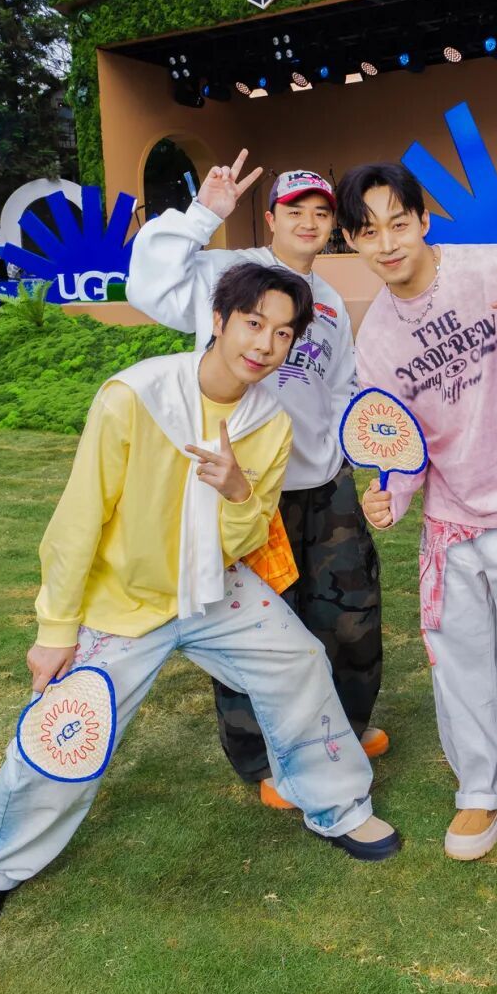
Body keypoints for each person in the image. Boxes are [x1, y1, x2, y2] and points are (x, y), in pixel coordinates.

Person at [0, 262, 400, 943]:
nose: (265, 344)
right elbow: (79, 519)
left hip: (214, 587)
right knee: (70, 722)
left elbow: (247, 536)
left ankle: (337, 806)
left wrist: (238, 493)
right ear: (218, 321)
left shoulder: (269, 420)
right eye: (253, 323)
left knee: (300, 662)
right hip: (125, 601)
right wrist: (56, 627)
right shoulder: (135, 396)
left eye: (283, 333)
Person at [336, 162, 497, 954]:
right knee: (461, 669)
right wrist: (392, 495)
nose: (388, 243)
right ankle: (486, 785)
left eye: (399, 222)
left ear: (424, 218)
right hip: (451, 526)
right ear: (352, 241)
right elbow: (404, 446)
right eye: (368, 231)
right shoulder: (376, 339)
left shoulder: (495, 268)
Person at [128, 153, 387, 812]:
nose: (308, 222)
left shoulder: (330, 302)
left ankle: (341, 730)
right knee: (257, 626)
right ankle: (266, 755)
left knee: (348, 615)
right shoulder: (228, 273)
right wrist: (202, 214)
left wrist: (349, 454)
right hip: (244, 486)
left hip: (323, 486)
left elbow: (342, 385)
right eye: (294, 210)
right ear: (270, 218)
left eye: (321, 212)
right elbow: (148, 287)